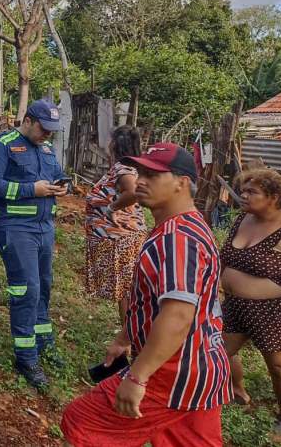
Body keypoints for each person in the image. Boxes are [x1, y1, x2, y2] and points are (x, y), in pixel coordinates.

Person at [61, 143, 231, 447]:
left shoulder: (177, 239)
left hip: (173, 372)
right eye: (140, 173)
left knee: (82, 422)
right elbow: (156, 301)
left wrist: (137, 376)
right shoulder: (187, 226)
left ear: (182, 183)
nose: (140, 181)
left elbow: (178, 315)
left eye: (153, 175)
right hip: (204, 367)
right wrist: (126, 336)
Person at [0, 99, 68, 389]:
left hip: (45, 228)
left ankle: (44, 342)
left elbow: (56, 176)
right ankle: (26, 357)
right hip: (15, 228)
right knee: (26, 290)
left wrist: (62, 185)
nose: (48, 134)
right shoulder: (2, 145)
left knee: (43, 287)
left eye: (52, 130)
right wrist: (32, 189)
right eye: (44, 128)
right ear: (28, 121)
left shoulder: (46, 149)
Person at [220, 168, 281, 439]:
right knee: (217, 353)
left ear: (273, 197)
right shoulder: (242, 219)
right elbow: (224, 257)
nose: (243, 196)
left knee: (278, 366)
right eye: (243, 190)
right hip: (235, 306)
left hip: (272, 312)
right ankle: (237, 391)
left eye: (252, 192)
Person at [84, 126, 147, 322]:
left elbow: (133, 192)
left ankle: (129, 334)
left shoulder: (123, 169)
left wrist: (112, 208)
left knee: (126, 293)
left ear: (116, 145)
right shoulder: (129, 167)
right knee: (126, 292)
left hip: (120, 240)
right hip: (120, 239)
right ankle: (129, 332)